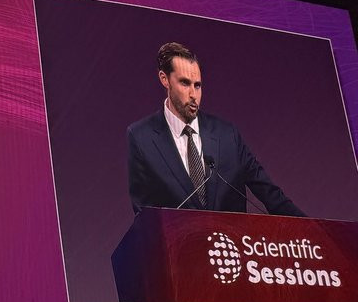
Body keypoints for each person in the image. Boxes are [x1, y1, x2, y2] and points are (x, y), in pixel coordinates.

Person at [126, 42, 304, 217]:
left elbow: (269, 193)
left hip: (230, 236)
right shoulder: (141, 137)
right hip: (178, 237)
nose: (193, 95)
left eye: (197, 85)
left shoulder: (227, 135)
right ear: (164, 79)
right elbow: (144, 215)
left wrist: (313, 228)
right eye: (185, 83)